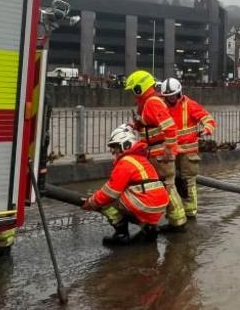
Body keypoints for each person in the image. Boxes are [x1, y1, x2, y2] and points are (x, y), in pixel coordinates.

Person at [82, 124, 169, 246]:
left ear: (126, 145)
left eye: (115, 147)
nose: (113, 151)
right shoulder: (141, 159)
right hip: (159, 204)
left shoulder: (125, 162)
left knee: (106, 201)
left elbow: (109, 193)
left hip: (145, 204)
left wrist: (91, 202)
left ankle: (121, 234)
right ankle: (150, 229)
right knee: (127, 198)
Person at [123, 69, 187, 231]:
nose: (132, 94)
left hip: (160, 154)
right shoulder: (148, 103)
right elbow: (150, 125)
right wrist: (136, 124)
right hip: (154, 153)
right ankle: (172, 220)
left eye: (133, 90)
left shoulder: (152, 102)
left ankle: (178, 222)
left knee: (168, 187)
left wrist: (168, 149)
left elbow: (169, 127)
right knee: (163, 187)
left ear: (139, 88)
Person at [159, 77, 216, 218]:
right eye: (167, 96)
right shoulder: (161, 106)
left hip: (188, 151)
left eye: (172, 95)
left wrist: (207, 129)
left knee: (188, 181)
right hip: (170, 151)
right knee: (170, 181)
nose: (170, 98)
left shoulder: (189, 105)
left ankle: (190, 211)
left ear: (178, 93)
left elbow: (207, 118)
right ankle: (175, 210)